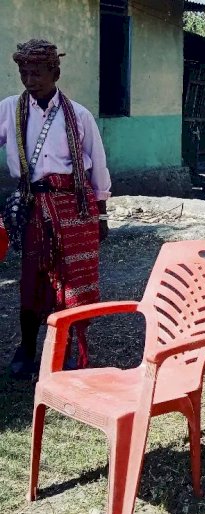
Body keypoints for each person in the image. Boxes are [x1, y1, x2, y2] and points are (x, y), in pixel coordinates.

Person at [0, 39, 110, 379]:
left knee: (75, 281)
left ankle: (69, 350)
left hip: (75, 207)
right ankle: (28, 348)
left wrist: (102, 214)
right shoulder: (8, 109)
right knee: (33, 279)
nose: (30, 80)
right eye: (24, 73)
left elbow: (98, 166)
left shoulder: (78, 115)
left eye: (37, 72)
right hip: (33, 206)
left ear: (55, 72)